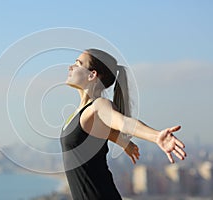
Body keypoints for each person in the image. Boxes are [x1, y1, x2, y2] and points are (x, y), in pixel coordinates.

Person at [60, 49, 187, 200]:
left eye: (78, 64)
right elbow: (97, 132)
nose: (71, 67)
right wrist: (122, 141)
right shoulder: (80, 113)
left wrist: (156, 136)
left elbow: (123, 122)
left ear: (92, 75)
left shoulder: (99, 105)